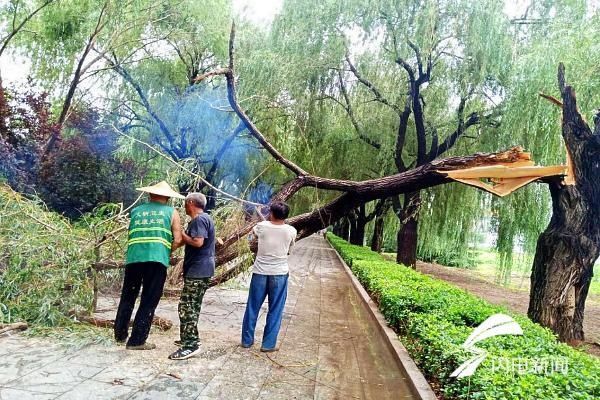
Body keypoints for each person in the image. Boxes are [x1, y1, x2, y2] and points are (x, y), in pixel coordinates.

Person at [114, 181, 183, 350]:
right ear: (167, 197)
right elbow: (179, 239)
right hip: (157, 260)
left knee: (128, 296)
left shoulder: (136, 211)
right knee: (149, 299)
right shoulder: (171, 212)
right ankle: (137, 341)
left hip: (134, 258)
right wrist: (167, 250)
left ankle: (120, 334)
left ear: (149, 194)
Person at [241, 201, 297, 352]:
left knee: (253, 306)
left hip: (260, 272)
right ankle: (268, 344)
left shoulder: (261, 227)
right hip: (279, 273)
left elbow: (254, 235)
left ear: (271, 213)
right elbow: (289, 250)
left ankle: (247, 341)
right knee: (276, 309)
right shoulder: (291, 230)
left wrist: (260, 213)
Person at [168, 192, 216, 360]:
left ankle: (191, 345)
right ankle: (189, 337)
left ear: (190, 202)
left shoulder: (199, 220)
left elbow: (198, 242)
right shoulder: (204, 219)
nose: (184, 205)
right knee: (192, 305)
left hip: (199, 270)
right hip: (201, 269)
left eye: (185, 203)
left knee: (186, 306)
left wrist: (181, 234)